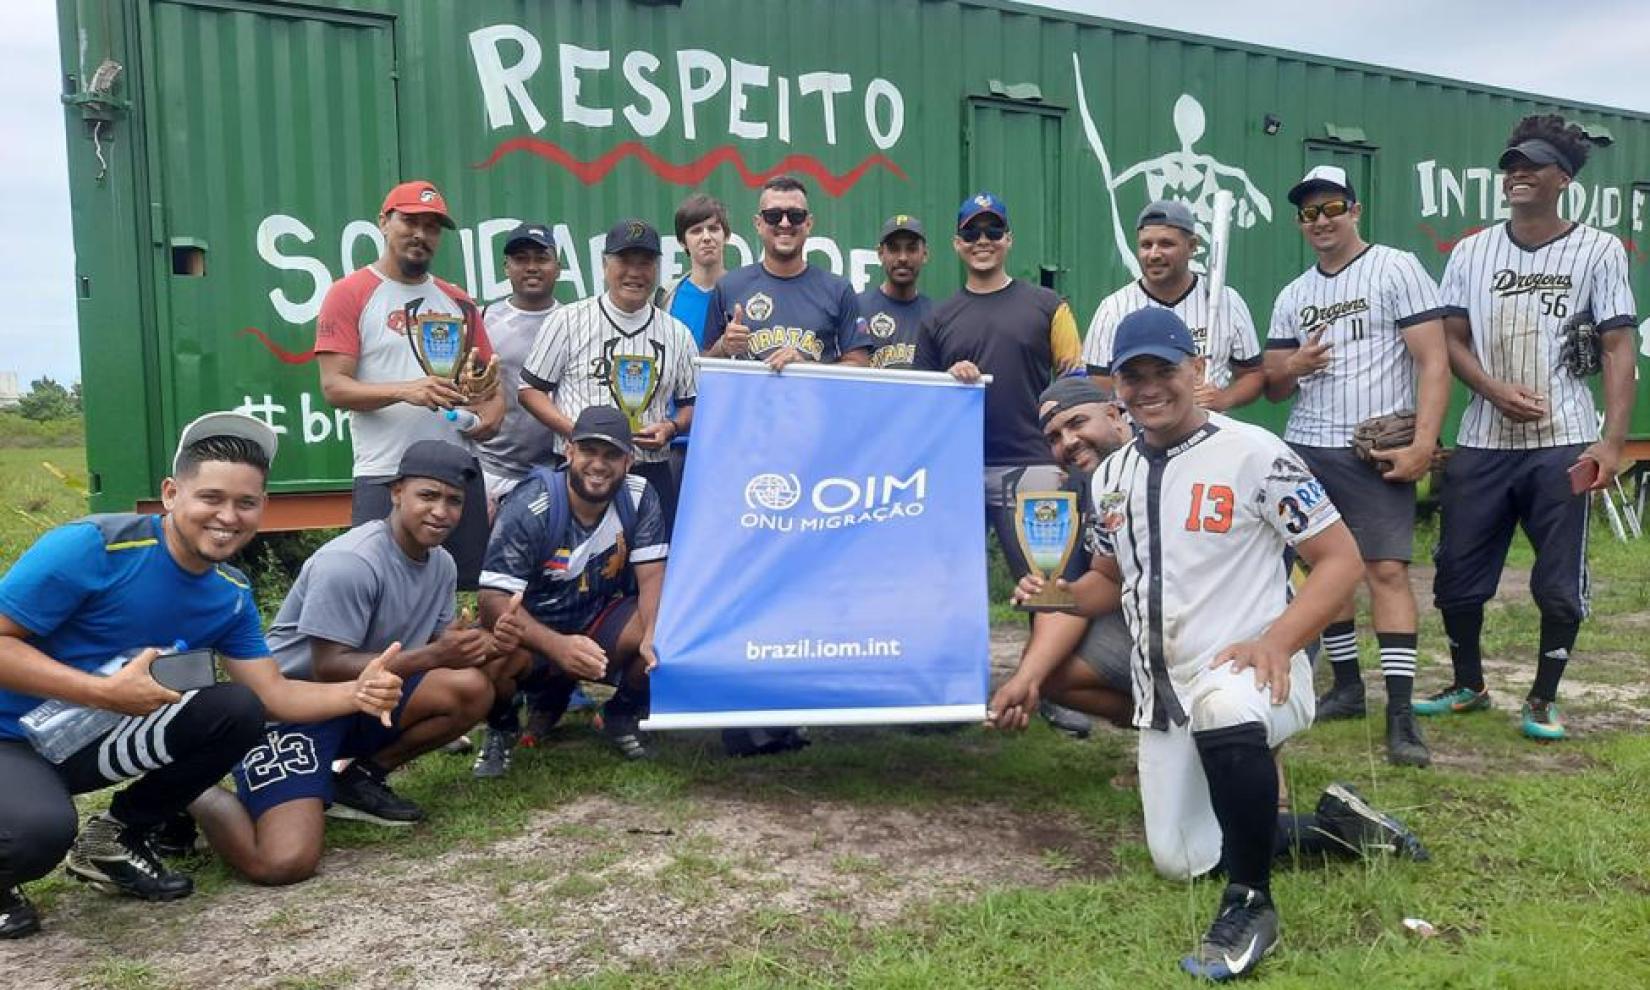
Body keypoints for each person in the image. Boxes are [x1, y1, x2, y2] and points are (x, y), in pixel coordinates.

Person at [0, 412, 400, 937]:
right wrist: (102, 691)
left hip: (88, 739)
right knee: (37, 835)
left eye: (245, 503)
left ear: (262, 508)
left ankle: (118, 837)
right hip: (9, 737)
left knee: (236, 709)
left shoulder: (229, 595)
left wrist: (358, 691)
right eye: (210, 497)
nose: (227, 516)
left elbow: (274, 695)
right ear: (171, 494)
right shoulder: (93, 547)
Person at [1066, 307, 1374, 980]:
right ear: (1116, 385)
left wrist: (1278, 641)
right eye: (1133, 375)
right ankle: (1339, 826)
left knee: (1225, 708)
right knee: (1181, 858)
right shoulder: (1109, 474)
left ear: (1198, 370)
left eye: (1164, 370)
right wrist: (1052, 595)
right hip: (1166, 689)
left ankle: (1251, 904)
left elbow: (1341, 560)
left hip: (1258, 669)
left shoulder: (1255, 451)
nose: (1149, 387)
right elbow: (1103, 580)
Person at [189, 440, 501, 886]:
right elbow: (328, 667)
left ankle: (358, 780)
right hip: (293, 710)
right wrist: (436, 654)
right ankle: (189, 788)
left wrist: (469, 644)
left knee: (470, 686)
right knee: (285, 862)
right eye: (427, 496)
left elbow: (435, 648)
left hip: (364, 699)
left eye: (453, 501)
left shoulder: (443, 564)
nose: (441, 511)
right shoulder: (350, 562)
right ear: (396, 493)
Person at [1426, 114, 1639, 740]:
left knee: (1557, 578)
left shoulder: (1598, 249)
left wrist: (1613, 442)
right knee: (1457, 572)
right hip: (1484, 439)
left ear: (1563, 179)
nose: (1517, 174)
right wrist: (1490, 387)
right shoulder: (1471, 250)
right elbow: (1452, 337)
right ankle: (1468, 683)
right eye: (1511, 165)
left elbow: (1618, 347)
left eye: (1532, 166)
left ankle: (1543, 698)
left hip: (1564, 437)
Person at [1264, 165, 1451, 767]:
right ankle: (1347, 686)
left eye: (1332, 207)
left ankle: (1400, 712)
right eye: (1309, 212)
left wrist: (1423, 444)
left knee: (1386, 572)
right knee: (1326, 571)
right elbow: (1271, 384)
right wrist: (1292, 367)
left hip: (1373, 446)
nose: (1321, 221)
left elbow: (1433, 362)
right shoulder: (1294, 294)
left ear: (1355, 209)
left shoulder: (1396, 268)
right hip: (1308, 446)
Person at [915, 192, 1088, 736]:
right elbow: (921, 400)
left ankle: (1052, 688)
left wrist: (1068, 455)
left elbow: (1074, 381)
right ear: (956, 245)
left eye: (994, 232)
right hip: (960, 472)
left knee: (1048, 582)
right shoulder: (939, 317)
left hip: (1034, 465)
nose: (983, 242)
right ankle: (948, 696)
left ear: (1009, 240)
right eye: (972, 233)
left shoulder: (1048, 305)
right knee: (949, 588)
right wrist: (951, 380)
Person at [315, 179, 504, 591]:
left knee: (466, 599)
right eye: (410, 221)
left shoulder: (459, 302)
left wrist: (483, 419)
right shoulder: (349, 294)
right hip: (385, 474)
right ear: (383, 223)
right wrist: (407, 391)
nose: (421, 234)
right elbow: (335, 388)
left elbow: (492, 396)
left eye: (432, 226)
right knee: (377, 594)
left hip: (459, 477)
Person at [473, 407, 668, 773]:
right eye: (589, 451)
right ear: (569, 452)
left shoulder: (640, 496)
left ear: (628, 461)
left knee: (666, 628)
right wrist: (558, 647)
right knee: (491, 654)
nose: (599, 464)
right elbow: (492, 600)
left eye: (611, 455)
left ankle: (621, 715)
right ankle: (503, 725)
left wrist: (652, 634)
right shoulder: (531, 503)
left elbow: (653, 577)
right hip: (534, 628)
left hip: (596, 619)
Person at [518, 219, 698, 533]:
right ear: (604, 265)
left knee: (650, 570)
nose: (634, 272)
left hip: (649, 469)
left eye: (644, 263)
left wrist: (671, 427)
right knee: (569, 569)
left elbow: (691, 405)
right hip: (581, 468)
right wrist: (577, 432)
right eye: (624, 261)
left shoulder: (677, 333)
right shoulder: (567, 320)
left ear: (657, 268)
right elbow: (529, 390)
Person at [987, 377, 1136, 732]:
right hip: (1135, 618)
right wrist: (1053, 594)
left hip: (1208, 626)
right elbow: (1103, 583)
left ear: (1115, 416)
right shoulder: (1084, 483)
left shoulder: (1158, 460)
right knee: (1044, 669)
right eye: (1054, 437)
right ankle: (1165, 727)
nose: (1068, 442)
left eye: (1077, 423)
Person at [1083, 200, 1263, 411]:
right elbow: (1099, 388)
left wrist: (1225, 399)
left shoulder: (1226, 300)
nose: (1154, 254)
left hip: (1208, 429)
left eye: (1166, 244)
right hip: (1138, 430)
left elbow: (1253, 374)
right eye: (1146, 245)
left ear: (1192, 246)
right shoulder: (1113, 309)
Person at [702, 174, 871, 370]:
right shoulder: (728, 286)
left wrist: (805, 368)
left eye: (795, 215)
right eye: (773, 215)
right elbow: (705, 364)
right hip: (749, 401)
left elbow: (860, 365)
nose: (784, 223)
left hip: (813, 400)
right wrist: (723, 346)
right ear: (758, 223)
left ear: (808, 224)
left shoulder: (839, 290)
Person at [475, 221, 562, 506]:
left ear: (558, 267)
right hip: (490, 470)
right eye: (521, 259)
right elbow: (465, 395)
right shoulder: (483, 319)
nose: (532, 267)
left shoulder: (574, 323)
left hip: (554, 473)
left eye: (541, 259)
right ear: (506, 267)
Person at [859, 215, 933, 370]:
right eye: (894, 249)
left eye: (911, 249)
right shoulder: (857, 308)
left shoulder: (936, 316)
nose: (903, 258)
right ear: (880, 254)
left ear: (925, 254)